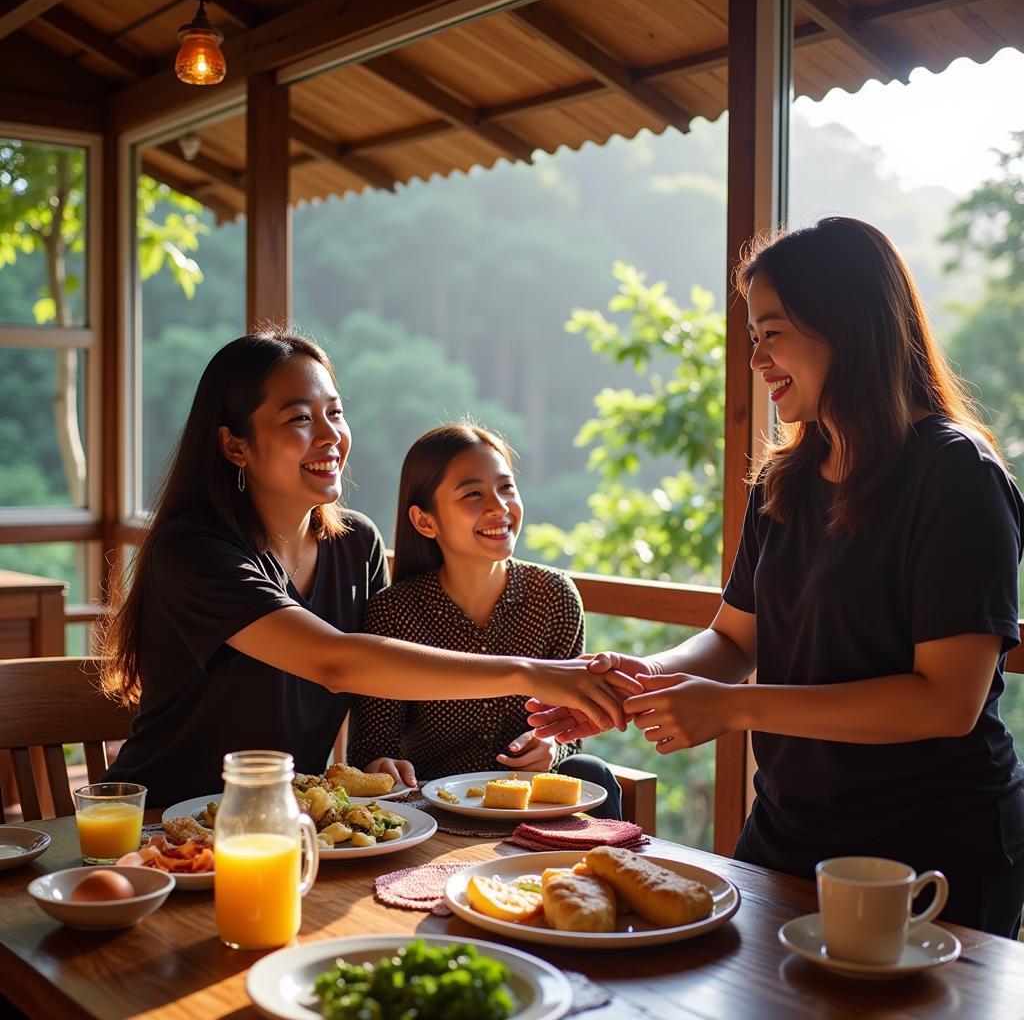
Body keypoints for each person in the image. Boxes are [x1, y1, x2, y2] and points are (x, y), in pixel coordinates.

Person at [530, 217, 1024, 937]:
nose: (756, 357)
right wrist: (640, 680)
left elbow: (945, 701)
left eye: (773, 331)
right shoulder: (784, 480)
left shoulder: (955, 475)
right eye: (753, 336)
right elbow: (732, 641)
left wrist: (736, 709)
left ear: (847, 325)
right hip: (789, 836)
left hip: (931, 852)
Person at [99, 331, 637, 808]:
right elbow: (339, 663)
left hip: (294, 825)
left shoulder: (356, 544)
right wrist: (528, 671)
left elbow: (383, 679)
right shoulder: (194, 550)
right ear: (235, 444)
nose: (330, 436)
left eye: (334, 412)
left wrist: (378, 764)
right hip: (165, 822)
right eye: (299, 419)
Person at [345, 424, 623, 819]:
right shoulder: (394, 611)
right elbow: (372, 746)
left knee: (589, 770)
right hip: (431, 810)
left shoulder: (556, 597)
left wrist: (551, 748)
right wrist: (382, 767)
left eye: (506, 488)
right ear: (425, 521)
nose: (499, 506)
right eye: (473, 493)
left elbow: (569, 727)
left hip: (529, 805)